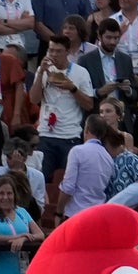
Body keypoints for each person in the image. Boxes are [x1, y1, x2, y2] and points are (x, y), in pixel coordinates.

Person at [31, 35, 96, 178]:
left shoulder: (81, 72)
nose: (54, 54)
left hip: (70, 137)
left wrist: (72, 89)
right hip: (45, 135)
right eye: (51, 50)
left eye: (58, 51)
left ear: (67, 52)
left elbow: (89, 105)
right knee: (43, 179)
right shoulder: (43, 70)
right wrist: (41, 72)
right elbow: (34, 99)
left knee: (68, 180)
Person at [56, 115, 114, 221]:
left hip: (76, 213)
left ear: (86, 129)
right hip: (97, 214)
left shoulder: (77, 151)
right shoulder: (108, 158)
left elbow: (68, 186)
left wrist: (58, 212)